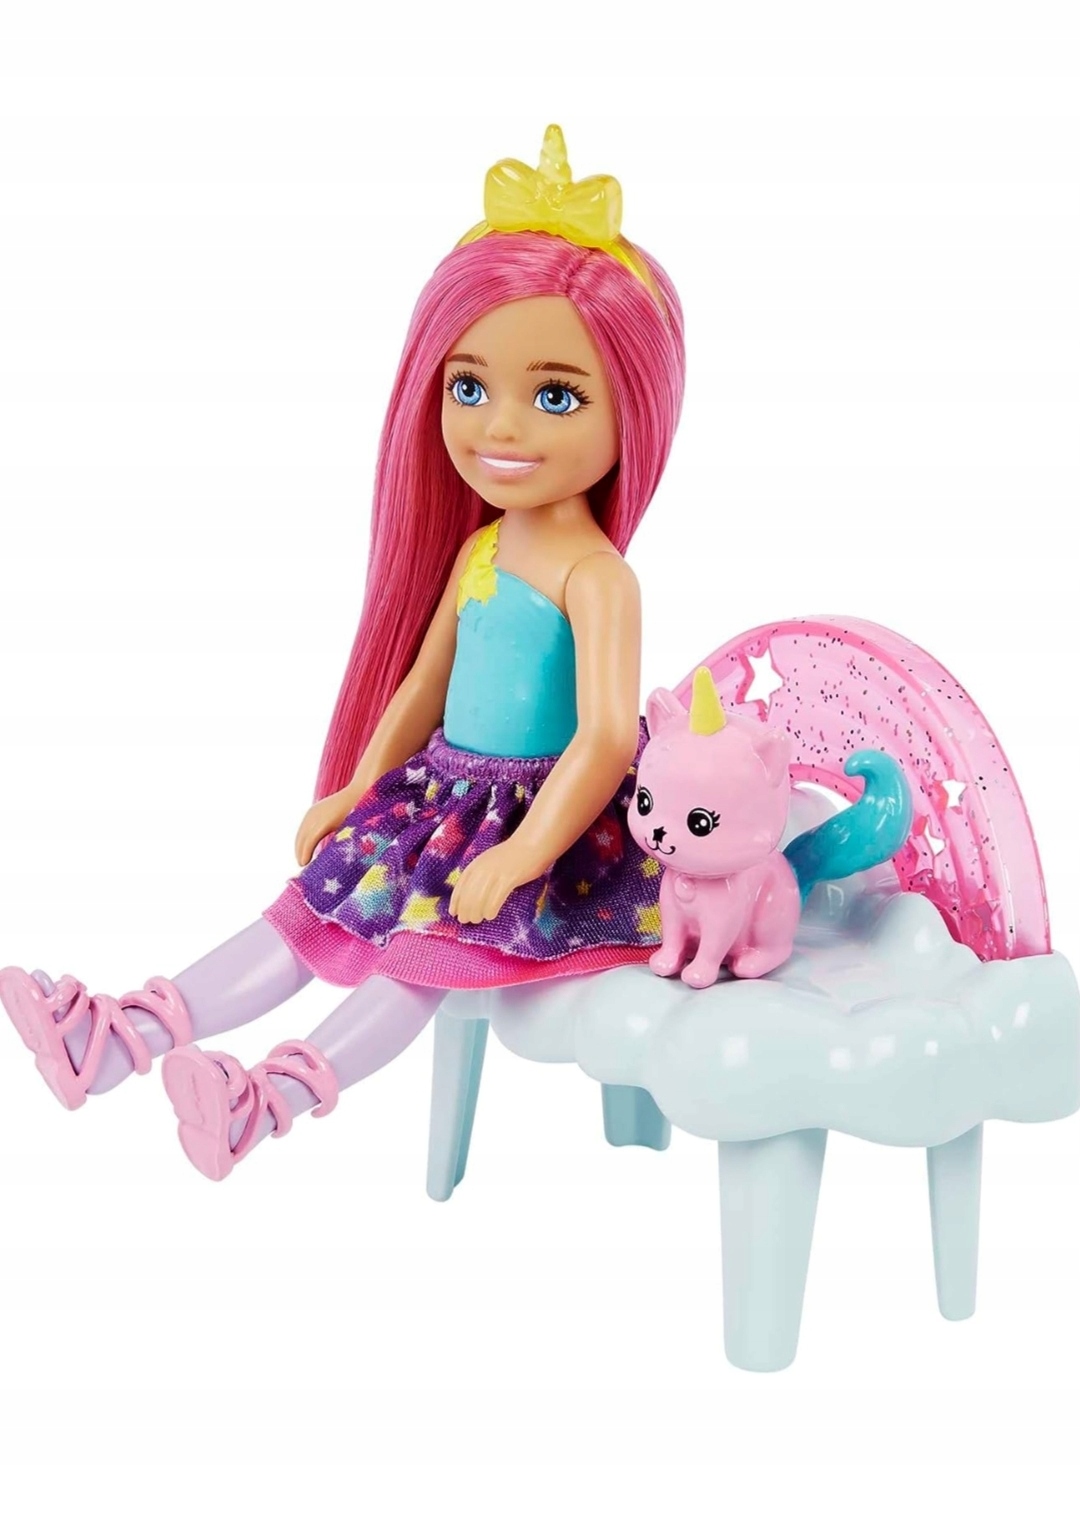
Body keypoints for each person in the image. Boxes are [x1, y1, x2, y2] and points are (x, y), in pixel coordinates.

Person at [0, 125, 686, 1180]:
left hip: (546, 830)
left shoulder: (598, 578)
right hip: (440, 800)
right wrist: (361, 786)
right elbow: (421, 688)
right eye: (469, 387)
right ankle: (121, 1036)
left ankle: (267, 1099)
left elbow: (602, 739)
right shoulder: (484, 548)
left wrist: (520, 855)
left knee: (412, 961)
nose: (500, 427)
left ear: (631, 409)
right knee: (302, 916)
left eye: (557, 396)